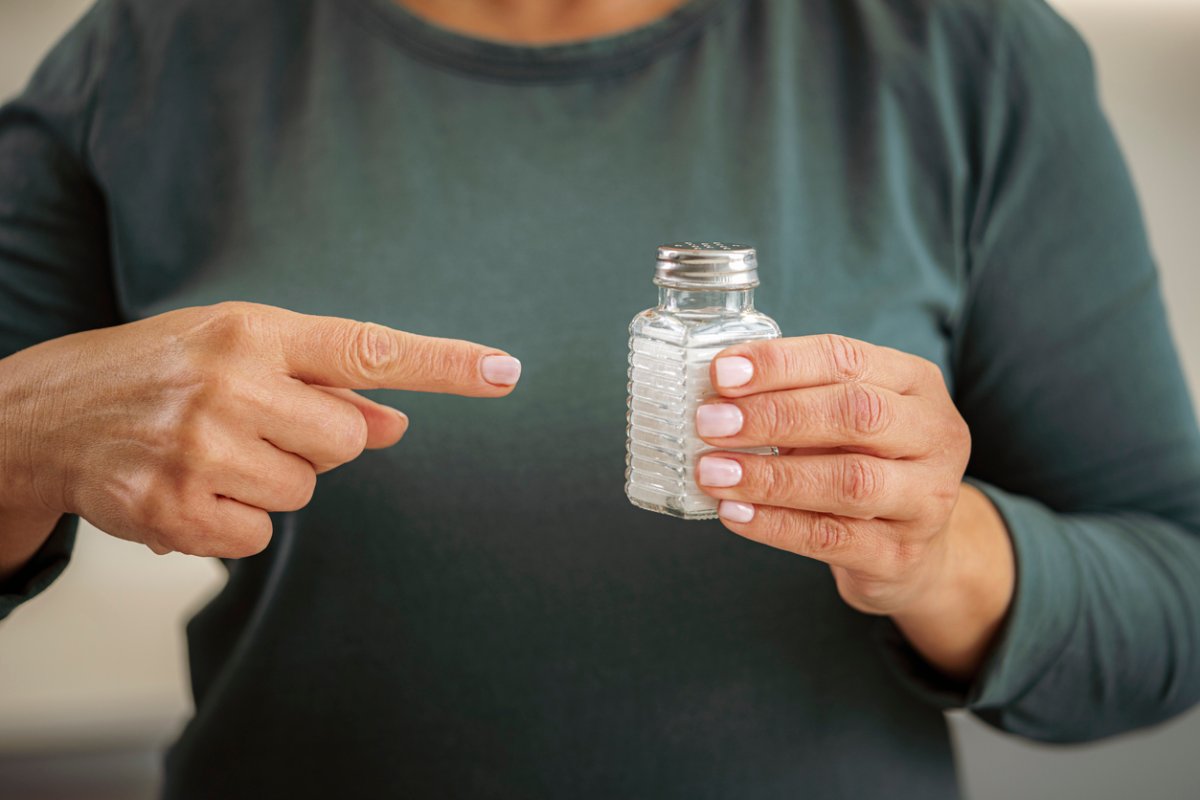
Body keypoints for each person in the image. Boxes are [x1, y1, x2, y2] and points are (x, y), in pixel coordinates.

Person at [1, 0, 1198, 796]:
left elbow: (1175, 600)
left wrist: (943, 554)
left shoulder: (964, 51)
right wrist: (20, 432)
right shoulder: (153, 52)